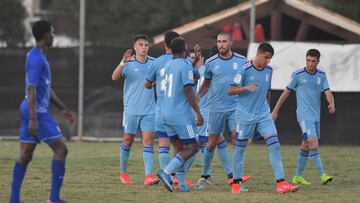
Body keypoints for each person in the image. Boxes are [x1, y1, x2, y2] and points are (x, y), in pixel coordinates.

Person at [9, 20, 75, 203]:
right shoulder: (37, 58)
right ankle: (54, 198)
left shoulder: (38, 56)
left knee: (25, 155)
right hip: (35, 112)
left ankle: (13, 200)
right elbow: (32, 89)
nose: (53, 36)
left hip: (30, 110)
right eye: (52, 33)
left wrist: (63, 109)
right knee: (61, 150)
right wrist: (33, 119)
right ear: (46, 36)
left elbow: (46, 89)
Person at [228, 42, 299, 193]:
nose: (268, 61)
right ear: (259, 54)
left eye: (270, 58)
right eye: (266, 57)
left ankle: (281, 183)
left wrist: (270, 110)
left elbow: (267, 91)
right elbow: (231, 90)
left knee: (275, 145)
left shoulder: (269, 70)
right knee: (240, 149)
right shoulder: (244, 69)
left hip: (263, 114)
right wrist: (246, 87)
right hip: (245, 115)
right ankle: (236, 183)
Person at [271, 49, 334, 185]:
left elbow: (328, 92)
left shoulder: (321, 75)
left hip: (316, 116)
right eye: (308, 60)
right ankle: (322, 175)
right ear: (305, 59)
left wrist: (331, 104)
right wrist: (275, 110)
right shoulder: (297, 74)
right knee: (313, 143)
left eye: (313, 61)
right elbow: (285, 93)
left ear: (318, 61)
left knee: (306, 145)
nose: (310, 63)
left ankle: (297, 176)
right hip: (304, 116)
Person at [195, 33, 249, 189]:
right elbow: (206, 84)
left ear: (231, 42)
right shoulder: (211, 62)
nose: (221, 45)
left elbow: (247, 82)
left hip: (235, 107)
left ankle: (237, 181)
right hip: (216, 108)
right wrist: (197, 98)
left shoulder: (241, 61)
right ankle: (204, 176)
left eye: (224, 41)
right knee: (211, 143)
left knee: (236, 139)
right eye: (218, 42)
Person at [157, 37, 204, 192]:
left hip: (165, 112)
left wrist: (194, 62)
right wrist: (198, 112)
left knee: (179, 147)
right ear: (184, 49)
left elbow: (186, 72)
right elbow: (189, 89)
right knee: (193, 146)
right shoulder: (184, 65)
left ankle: (182, 185)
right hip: (180, 115)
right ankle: (166, 172)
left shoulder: (169, 64)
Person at [112, 34, 159, 186]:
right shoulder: (128, 63)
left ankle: (148, 176)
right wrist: (122, 62)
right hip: (131, 110)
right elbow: (114, 77)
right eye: (141, 44)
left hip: (149, 110)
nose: (144, 47)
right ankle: (123, 173)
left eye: (146, 45)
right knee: (128, 140)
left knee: (148, 141)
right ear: (135, 47)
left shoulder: (154, 63)